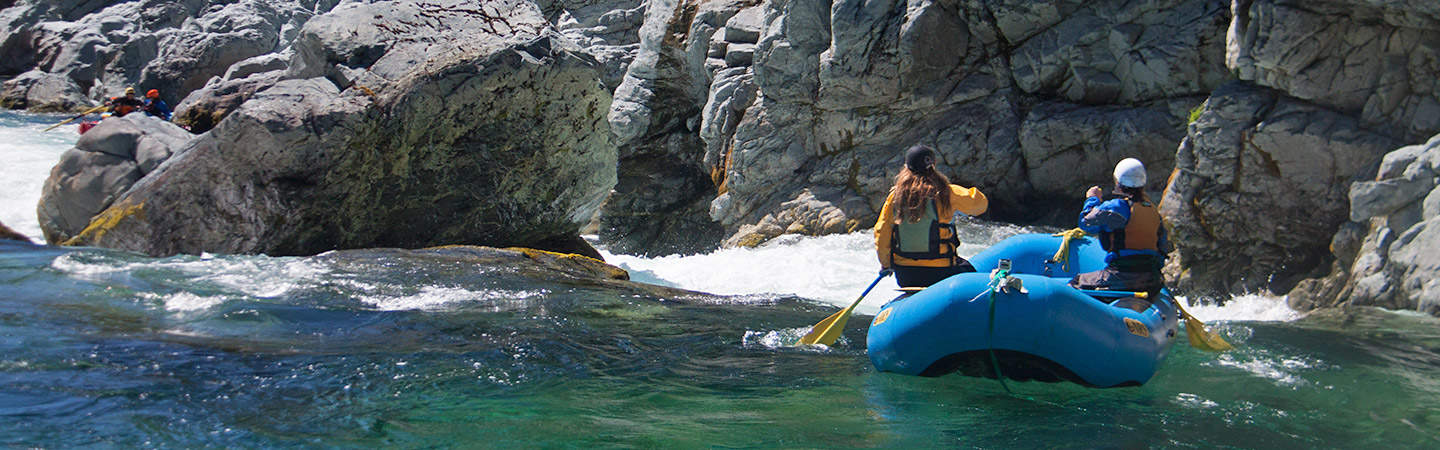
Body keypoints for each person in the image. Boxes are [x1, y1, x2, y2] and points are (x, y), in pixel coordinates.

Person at [874, 145, 989, 288]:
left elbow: (881, 232)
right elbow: (980, 205)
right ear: (933, 165)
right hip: (941, 273)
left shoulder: (895, 197)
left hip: (906, 275)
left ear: (907, 167)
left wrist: (886, 264)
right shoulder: (947, 192)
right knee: (970, 273)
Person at [1070, 158, 1172, 294]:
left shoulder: (1117, 208)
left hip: (1122, 276)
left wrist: (1092, 199)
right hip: (1151, 279)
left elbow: (1086, 222)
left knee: (1075, 283)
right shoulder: (1153, 211)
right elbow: (1162, 247)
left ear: (1118, 182)